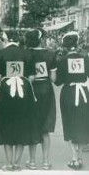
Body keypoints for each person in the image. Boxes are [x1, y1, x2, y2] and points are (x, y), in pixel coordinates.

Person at [0, 30, 41, 171]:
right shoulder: (27, 53)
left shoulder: (0, 54)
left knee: (6, 125)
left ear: (5, 39)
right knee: (21, 125)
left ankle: (8, 163)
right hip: (23, 93)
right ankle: (17, 163)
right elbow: (32, 77)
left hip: (6, 93)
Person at [55, 31, 89, 170]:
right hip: (83, 94)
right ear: (77, 43)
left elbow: (58, 82)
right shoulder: (85, 58)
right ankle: (80, 156)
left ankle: (73, 157)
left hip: (68, 93)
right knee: (82, 122)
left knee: (69, 122)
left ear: (65, 45)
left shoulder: (62, 61)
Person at [25, 29, 57, 170]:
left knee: (32, 125)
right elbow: (54, 79)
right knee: (45, 127)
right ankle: (45, 162)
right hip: (46, 90)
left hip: (31, 90)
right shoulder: (50, 54)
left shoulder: (26, 54)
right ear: (41, 39)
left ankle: (32, 161)